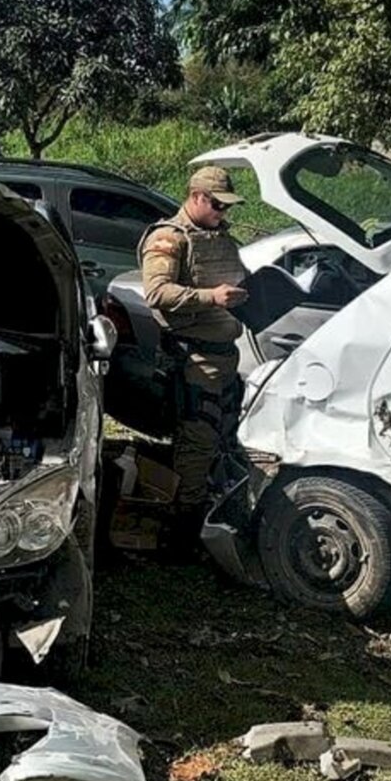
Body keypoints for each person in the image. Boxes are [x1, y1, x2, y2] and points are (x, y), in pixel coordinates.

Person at [137, 165, 249, 543]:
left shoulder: (218, 237)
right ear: (198, 197)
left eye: (226, 207)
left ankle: (210, 515)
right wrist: (210, 298)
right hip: (195, 359)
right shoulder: (170, 238)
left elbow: (235, 275)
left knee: (222, 438)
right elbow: (157, 293)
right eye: (217, 205)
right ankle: (184, 532)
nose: (222, 213)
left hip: (224, 359)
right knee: (197, 445)